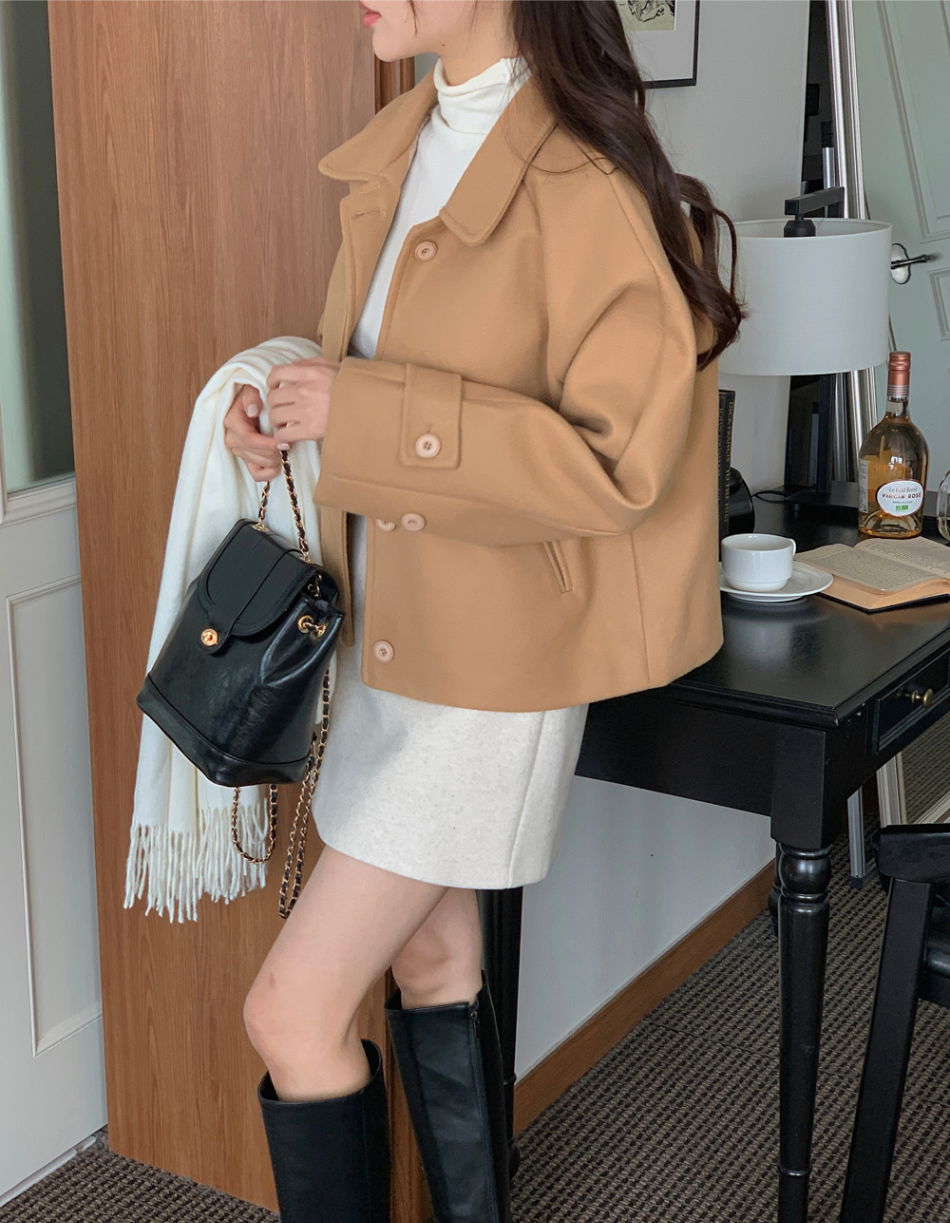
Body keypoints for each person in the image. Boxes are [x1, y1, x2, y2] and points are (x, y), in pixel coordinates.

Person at [222, 2, 745, 1220]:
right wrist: (289, 416)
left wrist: (360, 412)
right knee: (432, 953)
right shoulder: (410, 143)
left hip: (488, 671)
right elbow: (392, 377)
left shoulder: (589, 182)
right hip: (388, 642)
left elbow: (612, 467)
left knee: (289, 1012)